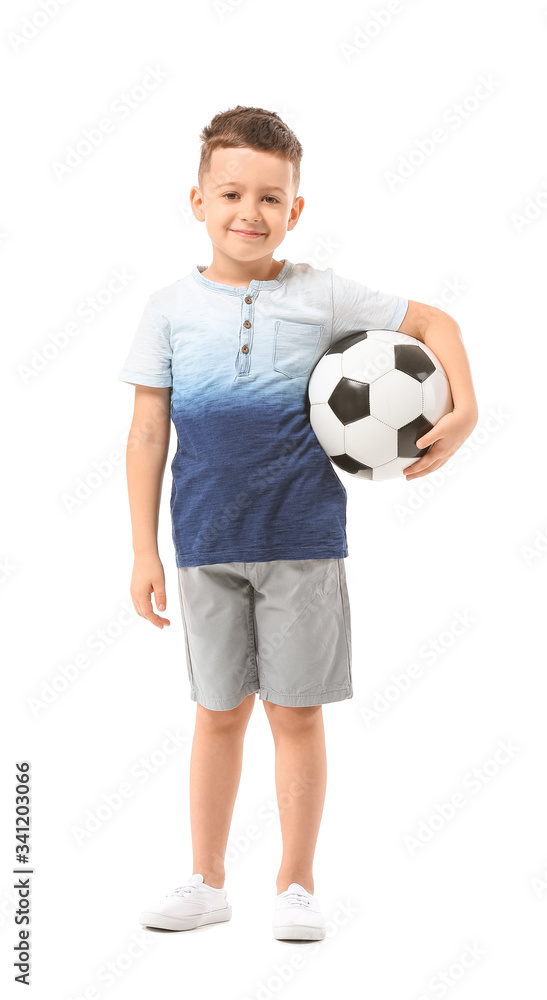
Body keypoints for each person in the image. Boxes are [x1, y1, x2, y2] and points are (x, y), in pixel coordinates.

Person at [118, 105, 479, 941]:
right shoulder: (168, 308)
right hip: (204, 543)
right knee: (216, 713)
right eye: (232, 193)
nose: (250, 212)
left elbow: (437, 323)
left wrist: (462, 410)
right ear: (198, 201)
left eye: (270, 198)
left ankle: (295, 885)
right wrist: (142, 547)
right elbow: (145, 432)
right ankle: (205, 880)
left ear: (295, 210)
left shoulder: (320, 293)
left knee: (295, 713)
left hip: (304, 545)